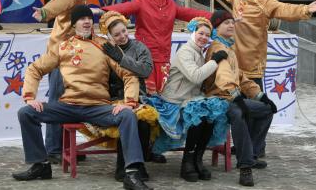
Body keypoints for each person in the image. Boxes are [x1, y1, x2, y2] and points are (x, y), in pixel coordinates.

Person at [12, 5, 152, 190]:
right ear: (73, 24)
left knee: (128, 115)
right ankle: (41, 165)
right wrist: (30, 97)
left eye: (88, 18)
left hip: (97, 106)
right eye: (81, 19)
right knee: (26, 113)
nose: (86, 21)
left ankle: (132, 174)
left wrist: (129, 103)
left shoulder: (104, 45)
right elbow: (35, 69)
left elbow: (129, 75)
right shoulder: (63, 47)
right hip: (68, 106)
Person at [186, 0, 316, 93]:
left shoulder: (265, 0)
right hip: (232, 63)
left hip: (251, 68)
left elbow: (284, 8)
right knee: (234, 107)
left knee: (257, 108)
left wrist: (305, 9)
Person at [93, 0, 212, 96]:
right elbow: (125, 7)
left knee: (163, 96)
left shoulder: (171, 5)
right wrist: (102, 10)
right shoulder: (142, 1)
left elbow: (190, 13)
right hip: (144, 58)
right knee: (145, 96)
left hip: (164, 59)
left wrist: (216, 17)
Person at [144, 17, 229, 182]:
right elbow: (195, 76)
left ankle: (197, 159)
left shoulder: (198, 52)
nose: (203, 37)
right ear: (193, 33)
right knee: (196, 118)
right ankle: (187, 163)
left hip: (189, 99)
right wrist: (215, 60)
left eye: (207, 35)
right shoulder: (185, 51)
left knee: (210, 117)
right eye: (200, 33)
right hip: (174, 101)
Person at [32, 0, 95, 163]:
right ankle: (54, 149)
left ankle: (67, 146)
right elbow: (59, 2)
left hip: (74, 48)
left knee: (71, 97)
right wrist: (43, 12)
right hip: (61, 51)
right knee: (58, 98)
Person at [203, 10, 276, 187]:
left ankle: (251, 153)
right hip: (219, 98)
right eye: (225, 23)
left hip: (230, 96)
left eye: (231, 22)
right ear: (216, 28)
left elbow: (240, 77)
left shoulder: (228, 47)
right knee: (238, 114)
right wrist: (237, 98)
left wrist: (260, 95)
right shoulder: (218, 48)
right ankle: (245, 167)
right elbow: (224, 77)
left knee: (266, 109)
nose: (230, 25)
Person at [81, 11, 154, 182]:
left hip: (138, 96)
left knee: (143, 123)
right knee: (127, 119)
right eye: (117, 34)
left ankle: (138, 164)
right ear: (110, 36)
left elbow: (146, 70)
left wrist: (121, 58)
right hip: (113, 98)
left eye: (124, 31)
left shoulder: (139, 47)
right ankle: (122, 166)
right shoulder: (105, 50)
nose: (122, 36)